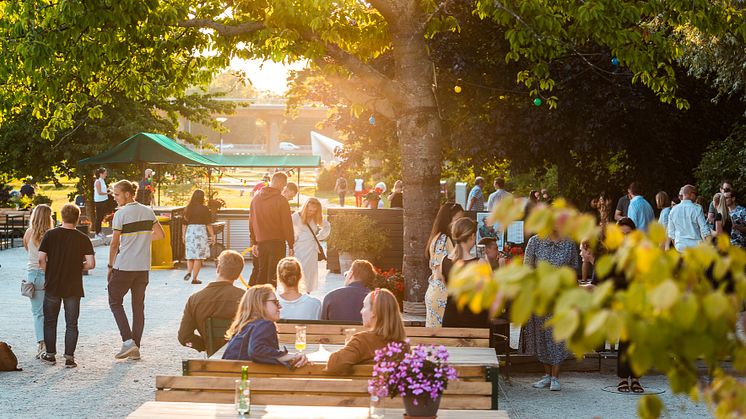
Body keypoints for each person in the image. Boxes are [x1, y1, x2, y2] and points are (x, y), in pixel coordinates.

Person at [108, 180, 165, 360]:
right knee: (138, 307)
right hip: (142, 267)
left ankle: (127, 342)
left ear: (127, 194)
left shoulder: (121, 214)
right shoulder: (148, 211)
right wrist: (142, 239)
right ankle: (136, 348)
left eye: (117, 194)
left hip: (124, 265)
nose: (115, 198)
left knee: (114, 301)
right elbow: (160, 234)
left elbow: (114, 243)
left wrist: (110, 265)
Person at [38, 204, 95, 368]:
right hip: (73, 286)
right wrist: (77, 267)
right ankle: (69, 358)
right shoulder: (83, 238)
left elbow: (41, 260)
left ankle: (50, 354)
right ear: (77, 218)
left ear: (61, 217)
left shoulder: (50, 235)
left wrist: (51, 271)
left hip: (53, 284)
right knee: (72, 323)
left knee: (50, 321)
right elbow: (91, 264)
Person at [521, 230, 578, 391]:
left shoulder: (568, 243)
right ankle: (547, 374)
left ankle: (555, 376)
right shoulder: (535, 241)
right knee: (541, 335)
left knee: (558, 336)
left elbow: (573, 270)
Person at [177, 250, 247, 356]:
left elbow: (184, 338)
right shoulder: (246, 298)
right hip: (241, 358)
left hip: (212, 357)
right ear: (238, 275)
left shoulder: (194, 299)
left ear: (218, 268)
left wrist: (205, 346)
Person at [222, 284, 309, 368]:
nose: (280, 306)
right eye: (275, 302)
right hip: (242, 379)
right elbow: (257, 351)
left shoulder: (245, 326)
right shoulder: (264, 324)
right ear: (260, 304)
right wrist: (290, 356)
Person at [326, 288, 407, 374]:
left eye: (364, 306)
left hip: (361, 387)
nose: (361, 311)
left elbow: (334, 365)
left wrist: (350, 346)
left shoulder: (362, 341)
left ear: (374, 312)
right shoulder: (404, 347)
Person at [441, 218, 491, 328]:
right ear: (472, 236)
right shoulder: (480, 263)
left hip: (451, 316)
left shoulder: (444, 261)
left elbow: (447, 287)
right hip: (474, 318)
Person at [249, 172, 294, 287]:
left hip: (260, 242)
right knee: (274, 275)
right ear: (283, 183)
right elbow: (287, 224)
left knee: (261, 273)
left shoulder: (255, 199)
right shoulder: (281, 200)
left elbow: (251, 222)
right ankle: (271, 301)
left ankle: (258, 301)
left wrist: (254, 242)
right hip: (277, 243)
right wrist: (291, 244)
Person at [22, 204, 54, 359]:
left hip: (33, 274)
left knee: (37, 313)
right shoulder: (52, 234)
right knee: (50, 312)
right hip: (49, 273)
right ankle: (49, 344)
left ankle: (41, 344)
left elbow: (27, 250)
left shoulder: (29, 233)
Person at [424, 203, 464, 328]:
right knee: (441, 340)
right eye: (457, 220)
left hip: (438, 292)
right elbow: (441, 272)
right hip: (442, 294)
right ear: (448, 220)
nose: (459, 224)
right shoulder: (443, 239)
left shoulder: (440, 238)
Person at [291, 198, 330, 293]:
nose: (311, 213)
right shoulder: (296, 216)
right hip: (299, 248)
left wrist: (318, 237)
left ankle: (307, 292)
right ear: (305, 207)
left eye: (314, 211)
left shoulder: (315, 217)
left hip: (311, 249)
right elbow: (289, 231)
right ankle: (297, 292)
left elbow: (327, 226)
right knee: (298, 271)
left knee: (309, 273)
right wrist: (293, 242)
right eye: (310, 210)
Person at [182, 189, 215, 285]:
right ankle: (195, 278)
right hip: (200, 231)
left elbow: (184, 224)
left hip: (190, 231)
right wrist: (212, 235)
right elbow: (208, 224)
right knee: (198, 257)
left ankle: (189, 271)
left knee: (190, 255)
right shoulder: (205, 209)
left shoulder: (188, 208)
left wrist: (183, 236)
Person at [666, 184, 710, 252]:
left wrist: (677, 247)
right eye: (696, 194)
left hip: (680, 247)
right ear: (691, 194)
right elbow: (705, 230)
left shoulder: (673, 210)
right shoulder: (697, 208)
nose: (696, 196)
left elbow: (671, 234)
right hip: (695, 247)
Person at [93, 167, 110, 238]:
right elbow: (100, 192)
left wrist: (110, 189)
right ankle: (97, 233)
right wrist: (108, 193)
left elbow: (104, 189)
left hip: (103, 200)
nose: (106, 175)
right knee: (99, 217)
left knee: (101, 216)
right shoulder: (98, 181)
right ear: (101, 174)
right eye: (105, 173)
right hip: (99, 202)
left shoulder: (102, 181)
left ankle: (99, 231)